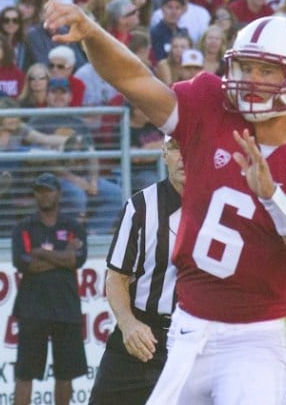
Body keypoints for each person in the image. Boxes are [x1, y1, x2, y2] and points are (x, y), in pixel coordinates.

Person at [42, 2, 286, 403]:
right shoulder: (211, 108)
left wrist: (272, 197)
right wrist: (92, 32)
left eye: (267, 71)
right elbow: (133, 79)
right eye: (246, 67)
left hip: (256, 338)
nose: (252, 80)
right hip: (189, 328)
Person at [89, 135, 184, 405]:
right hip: (144, 332)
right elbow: (116, 277)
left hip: (198, 338)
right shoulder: (141, 207)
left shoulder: (220, 205)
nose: (183, 157)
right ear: (164, 153)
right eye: (175, 148)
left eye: (191, 148)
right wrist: (128, 323)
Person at [11, 172, 88, 405]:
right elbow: (25, 264)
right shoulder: (23, 227)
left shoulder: (73, 226)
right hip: (32, 309)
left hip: (66, 307)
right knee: (25, 373)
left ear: (59, 194)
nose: (44, 195)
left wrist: (42, 252)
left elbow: (77, 261)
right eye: (39, 191)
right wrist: (63, 254)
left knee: (65, 374)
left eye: (48, 190)